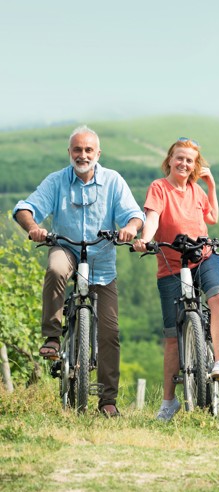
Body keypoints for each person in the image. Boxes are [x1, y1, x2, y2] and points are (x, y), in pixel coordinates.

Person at [13, 125, 145, 417]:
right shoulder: (57, 180)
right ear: (69, 152)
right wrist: (34, 227)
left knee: (109, 334)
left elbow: (135, 214)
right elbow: (25, 207)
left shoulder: (113, 181)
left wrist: (129, 229)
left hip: (101, 260)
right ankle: (52, 336)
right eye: (77, 149)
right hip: (67, 247)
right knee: (56, 268)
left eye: (88, 150)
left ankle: (108, 401)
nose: (82, 155)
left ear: (98, 153)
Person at [133, 137, 219, 422]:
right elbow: (151, 218)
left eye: (189, 160)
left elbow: (212, 217)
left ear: (195, 165)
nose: (184, 164)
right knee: (172, 339)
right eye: (179, 158)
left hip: (203, 256)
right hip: (171, 262)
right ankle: (169, 401)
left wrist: (211, 185)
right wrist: (145, 240)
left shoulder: (197, 190)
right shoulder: (159, 188)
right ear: (170, 160)